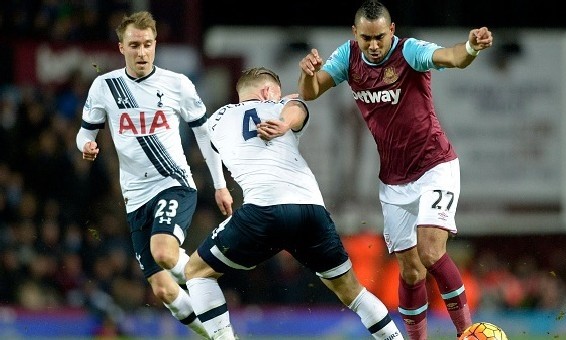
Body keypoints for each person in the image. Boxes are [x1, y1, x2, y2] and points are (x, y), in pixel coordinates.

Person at [297, 1, 493, 339]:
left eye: (379, 38)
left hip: (435, 166)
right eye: (366, 39)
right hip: (393, 181)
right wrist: (308, 73)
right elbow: (309, 92)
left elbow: (453, 57)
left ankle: (467, 334)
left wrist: (472, 47)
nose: (373, 46)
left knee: (431, 251)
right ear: (354, 34)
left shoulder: (410, 52)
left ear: (392, 31)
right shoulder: (348, 57)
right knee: (411, 271)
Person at [184, 67, 404, 340]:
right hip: (311, 211)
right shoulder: (282, 106)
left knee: (196, 272)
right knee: (353, 292)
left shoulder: (216, 120)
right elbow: (296, 108)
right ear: (267, 92)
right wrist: (285, 119)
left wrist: (219, 186)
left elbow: (207, 145)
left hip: (263, 213)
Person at [75, 11, 233, 338]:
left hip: (173, 185)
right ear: (121, 48)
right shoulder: (105, 86)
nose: (142, 52)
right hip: (135, 199)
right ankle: (220, 336)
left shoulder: (177, 84)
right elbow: (84, 132)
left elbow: (204, 135)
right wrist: (86, 144)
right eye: (134, 45)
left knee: (163, 253)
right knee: (163, 290)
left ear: (156, 44)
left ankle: (206, 279)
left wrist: (220, 185)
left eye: (148, 44)